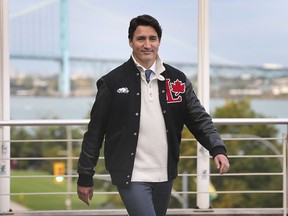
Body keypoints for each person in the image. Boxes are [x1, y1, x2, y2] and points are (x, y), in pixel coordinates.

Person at [77, 14, 230, 216]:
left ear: (159, 42)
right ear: (130, 42)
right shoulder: (112, 82)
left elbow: (198, 118)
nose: (147, 45)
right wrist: (85, 176)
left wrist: (217, 148)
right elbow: (94, 133)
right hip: (131, 175)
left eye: (152, 39)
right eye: (141, 39)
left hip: (165, 174)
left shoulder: (177, 80)